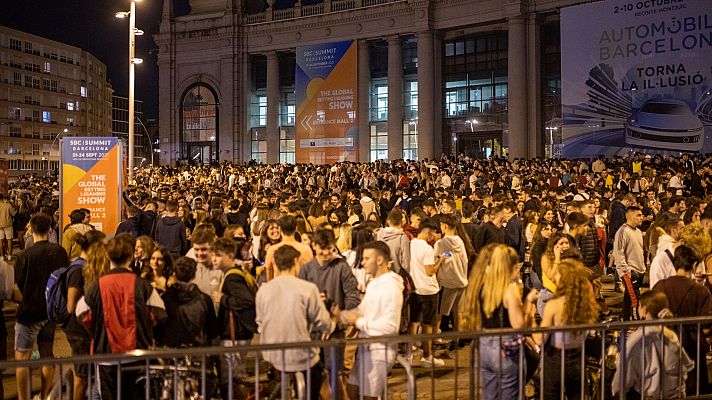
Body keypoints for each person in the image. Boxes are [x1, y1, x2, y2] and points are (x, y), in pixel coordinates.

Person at [76, 233, 166, 400]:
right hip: (137, 355)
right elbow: (159, 314)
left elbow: (81, 315)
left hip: (106, 357)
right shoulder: (142, 285)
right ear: (131, 257)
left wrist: (98, 330)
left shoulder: (96, 286)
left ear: (108, 256)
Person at [256, 245, 337, 400]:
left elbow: (260, 322)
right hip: (301, 355)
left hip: (272, 353)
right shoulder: (307, 288)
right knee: (318, 378)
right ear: (295, 261)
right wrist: (332, 323)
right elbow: (322, 321)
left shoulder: (263, 290)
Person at [460, 244, 538, 400]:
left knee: (491, 395)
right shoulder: (509, 290)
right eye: (515, 266)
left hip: (485, 346)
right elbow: (519, 325)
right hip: (506, 350)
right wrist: (529, 302)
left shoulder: (483, 286)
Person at [299, 229, 361, 398]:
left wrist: (338, 318)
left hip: (335, 332)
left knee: (335, 375)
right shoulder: (306, 270)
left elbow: (352, 296)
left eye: (329, 248)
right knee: (312, 378)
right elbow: (301, 302)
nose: (326, 253)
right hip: (312, 333)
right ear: (314, 246)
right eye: (322, 248)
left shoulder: (341, 266)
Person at [14, 212, 69, 400]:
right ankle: (44, 395)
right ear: (49, 228)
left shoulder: (24, 255)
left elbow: (18, 284)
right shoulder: (60, 252)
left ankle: (23, 398)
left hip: (28, 312)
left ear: (31, 227)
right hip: (50, 311)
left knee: (22, 359)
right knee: (47, 354)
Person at [342, 241, 404, 400]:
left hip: (379, 353)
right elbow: (362, 310)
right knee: (352, 391)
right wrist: (343, 315)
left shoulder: (391, 287)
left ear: (380, 260)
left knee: (369, 397)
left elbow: (390, 326)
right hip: (366, 349)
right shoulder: (374, 284)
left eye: (366, 258)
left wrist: (359, 323)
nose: (362, 263)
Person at [652, 245, 712, 395]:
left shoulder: (660, 286)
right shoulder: (700, 291)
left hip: (664, 348)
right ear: (693, 265)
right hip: (693, 351)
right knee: (694, 391)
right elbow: (706, 327)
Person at [612, 290, 693, 399]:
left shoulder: (639, 337)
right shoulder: (671, 335)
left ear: (644, 310)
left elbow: (624, 376)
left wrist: (616, 391)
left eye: (639, 306)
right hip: (675, 395)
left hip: (649, 395)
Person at [536, 260, 598, 400]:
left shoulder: (554, 304)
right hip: (578, 359)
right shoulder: (584, 302)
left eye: (558, 275)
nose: (554, 278)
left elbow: (540, 338)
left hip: (556, 359)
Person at [64, 230, 106, 400]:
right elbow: (71, 306)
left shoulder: (88, 267)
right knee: (81, 377)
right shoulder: (77, 270)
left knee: (86, 375)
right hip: (79, 330)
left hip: (86, 329)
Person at [211, 238, 257, 389]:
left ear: (230, 256)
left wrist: (223, 298)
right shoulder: (237, 272)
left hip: (235, 334)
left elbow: (246, 301)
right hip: (237, 333)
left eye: (218, 255)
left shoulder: (233, 277)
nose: (214, 259)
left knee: (234, 379)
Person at [408, 218, 447, 367]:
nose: (433, 237)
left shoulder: (410, 244)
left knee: (413, 322)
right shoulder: (427, 249)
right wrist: (441, 260)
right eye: (433, 234)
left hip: (415, 289)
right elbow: (430, 271)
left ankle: (409, 354)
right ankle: (427, 356)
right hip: (429, 290)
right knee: (428, 324)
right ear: (428, 232)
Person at [160, 257, 219, 347]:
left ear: (174, 274)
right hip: (198, 351)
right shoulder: (204, 299)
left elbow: (159, 327)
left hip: (171, 351)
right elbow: (212, 330)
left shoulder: (165, 298)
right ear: (194, 275)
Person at [614, 206, 645, 320]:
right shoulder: (623, 231)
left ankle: (625, 320)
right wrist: (627, 271)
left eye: (641, 215)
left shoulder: (638, 231)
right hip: (630, 272)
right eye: (638, 215)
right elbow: (619, 253)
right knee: (635, 301)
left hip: (639, 270)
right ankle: (636, 325)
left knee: (628, 299)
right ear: (629, 216)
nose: (641, 218)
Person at [264, 215, 314, 281]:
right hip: (300, 287)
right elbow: (310, 273)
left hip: (279, 287)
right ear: (296, 228)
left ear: (280, 229)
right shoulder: (306, 249)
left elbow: (269, 278)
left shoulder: (272, 250)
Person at [648, 216, 684, 288]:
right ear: (673, 231)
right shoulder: (668, 247)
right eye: (682, 228)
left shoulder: (669, 244)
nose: (685, 230)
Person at [376, 208, 411, 274]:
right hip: (397, 274)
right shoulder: (402, 237)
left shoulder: (380, 234)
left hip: (381, 273)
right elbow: (406, 264)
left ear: (388, 221)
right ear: (401, 222)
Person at [0, 194, 16, 260]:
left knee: (0, 241)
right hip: (8, 225)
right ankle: (9, 255)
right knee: (9, 240)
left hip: (0, 225)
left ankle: (2, 256)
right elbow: (13, 214)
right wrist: (15, 209)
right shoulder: (9, 205)